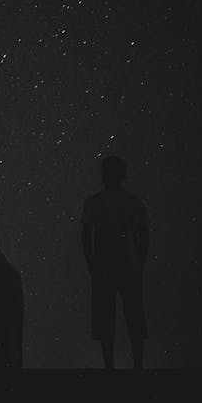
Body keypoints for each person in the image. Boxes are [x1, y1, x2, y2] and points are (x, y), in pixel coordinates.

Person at [81, 156, 150, 370]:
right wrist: (140, 260)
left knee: (106, 318)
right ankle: (138, 364)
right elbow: (144, 235)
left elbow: (85, 235)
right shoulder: (133, 202)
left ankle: (109, 365)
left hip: (104, 266)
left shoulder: (94, 202)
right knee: (134, 316)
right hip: (130, 265)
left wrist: (91, 263)